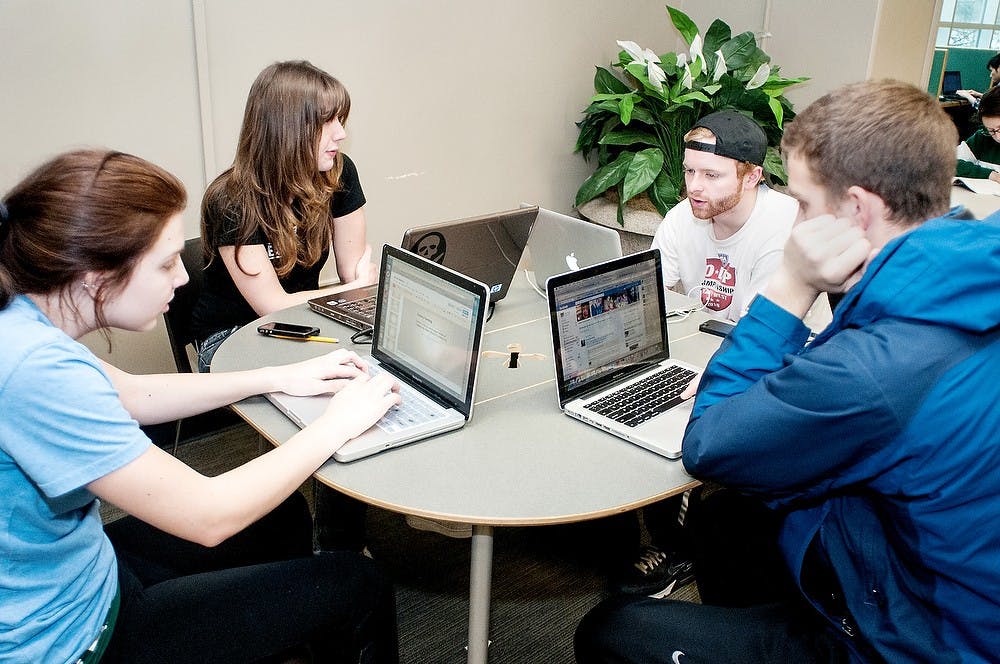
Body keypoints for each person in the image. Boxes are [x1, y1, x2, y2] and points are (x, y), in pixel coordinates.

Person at [576, 79, 1000, 662]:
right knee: (723, 516)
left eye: (802, 203)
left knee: (610, 632)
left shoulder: (875, 370)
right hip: (938, 573)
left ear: (856, 209)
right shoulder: (968, 272)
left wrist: (790, 288)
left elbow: (709, 443)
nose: (795, 220)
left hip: (921, 642)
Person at [0, 149, 401, 663]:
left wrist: (278, 375)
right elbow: (210, 515)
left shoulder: (22, 318)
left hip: (84, 570)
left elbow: (133, 395)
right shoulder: (34, 371)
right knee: (358, 584)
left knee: (281, 520)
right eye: (165, 263)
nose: (183, 277)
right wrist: (336, 426)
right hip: (74, 641)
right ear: (96, 278)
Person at [612, 110, 799, 597]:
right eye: (690, 171)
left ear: (753, 174)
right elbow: (649, 293)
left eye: (711, 175)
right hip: (702, 350)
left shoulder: (782, 228)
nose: (694, 186)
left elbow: (760, 338)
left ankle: (680, 550)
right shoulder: (682, 218)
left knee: (686, 425)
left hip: (772, 373)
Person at [191, 60, 377, 372]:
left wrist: (354, 288)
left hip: (304, 323)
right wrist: (349, 289)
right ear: (287, 128)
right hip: (232, 336)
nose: (341, 133)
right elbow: (271, 306)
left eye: (340, 120)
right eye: (327, 121)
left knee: (365, 369)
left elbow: (353, 277)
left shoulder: (340, 173)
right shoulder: (231, 200)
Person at [956, 84, 1000, 182]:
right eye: (991, 130)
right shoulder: (983, 136)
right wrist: (990, 174)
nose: (997, 137)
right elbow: (948, 163)